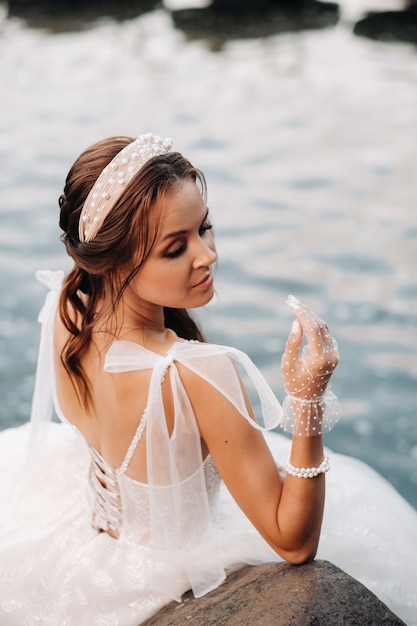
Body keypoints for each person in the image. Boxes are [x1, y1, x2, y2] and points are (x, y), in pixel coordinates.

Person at [0, 133, 416, 625]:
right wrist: (307, 401)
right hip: (173, 567)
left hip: (85, 542)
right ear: (113, 260)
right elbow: (294, 542)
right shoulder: (195, 370)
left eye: (205, 227)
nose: (207, 254)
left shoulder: (68, 310)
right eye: (176, 248)